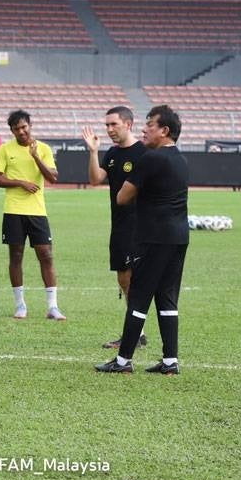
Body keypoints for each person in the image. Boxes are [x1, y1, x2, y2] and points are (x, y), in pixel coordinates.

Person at [96, 105, 189, 375]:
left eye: (149, 124)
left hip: (153, 238)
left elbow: (122, 198)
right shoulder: (181, 160)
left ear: (164, 130)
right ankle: (170, 362)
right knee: (167, 299)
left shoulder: (150, 159)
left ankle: (123, 361)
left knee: (138, 298)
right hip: (179, 237)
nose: (144, 129)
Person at [82, 107, 149, 350]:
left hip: (139, 226)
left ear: (128, 124)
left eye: (114, 124)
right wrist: (93, 151)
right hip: (119, 226)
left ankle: (134, 334)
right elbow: (95, 179)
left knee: (135, 280)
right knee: (123, 279)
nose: (109, 129)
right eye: (107, 125)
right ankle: (138, 332)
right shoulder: (111, 153)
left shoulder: (143, 152)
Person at [0, 109, 64, 321]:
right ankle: (20, 304)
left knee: (46, 256)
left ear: (30, 125)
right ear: (12, 130)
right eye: (16, 129)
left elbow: (52, 178)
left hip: (37, 212)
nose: (21, 131)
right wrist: (20, 182)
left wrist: (35, 157)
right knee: (16, 257)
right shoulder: (5, 149)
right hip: (13, 211)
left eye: (24, 127)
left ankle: (53, 307)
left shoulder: (43, 149)